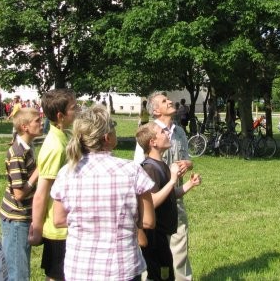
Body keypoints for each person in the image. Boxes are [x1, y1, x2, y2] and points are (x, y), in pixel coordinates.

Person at [51, 105, 156, 281]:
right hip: (121, 267)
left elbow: (58, 219)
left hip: (79, 268)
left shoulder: (66, 172)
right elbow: (148, 221)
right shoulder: (132, 170)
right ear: (107, 137)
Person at [134, 92, 194, 281]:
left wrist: (188, 164)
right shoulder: (149, 133)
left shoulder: (179, 132)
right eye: (164, 101)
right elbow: (139, 171)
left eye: (168, 99)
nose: (170, 101)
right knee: (154, 256)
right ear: (156, 111)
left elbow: (188, 158)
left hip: (174, 200)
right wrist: (170, 176)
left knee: (180, 249)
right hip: (153, 206)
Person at [29, 88, 78, 281]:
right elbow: (41, 192)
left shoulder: (63, 136)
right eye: (73, 108)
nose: (78, 110)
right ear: (60, 115)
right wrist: (37, 230)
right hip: (57, 230)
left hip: (66, 224)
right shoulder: (55, 147)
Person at [0, 108, 41, 281]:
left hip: (23, 217)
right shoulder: (17, 153)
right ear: (25, 127)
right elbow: (18, 194)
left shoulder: (27, 147)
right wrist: (38, 172)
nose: (41, 124)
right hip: (16, 219)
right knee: (18, 273)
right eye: (37, 121)